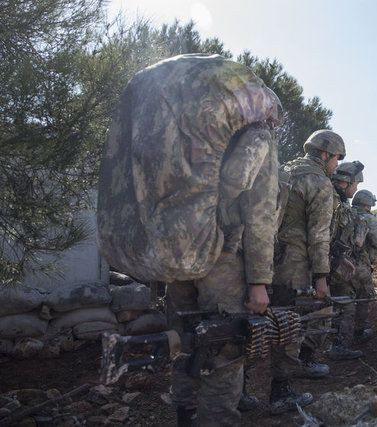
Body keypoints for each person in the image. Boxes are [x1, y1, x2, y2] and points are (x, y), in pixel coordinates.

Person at [98, 54, 282, 426]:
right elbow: (259, 211)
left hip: (178, 251)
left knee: (186, 341)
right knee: (225, 349)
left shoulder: (188, 132)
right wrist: (260, 281)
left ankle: (186, 414)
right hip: (222, 258)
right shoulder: (258, 134)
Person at [270, 129, 346, 414]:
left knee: (257, 322)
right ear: (325, 154)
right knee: (288, 324)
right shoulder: (319, 183)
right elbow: (319, 236)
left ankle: (238, 391)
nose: (336, 165)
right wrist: (322, 278)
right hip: (295, 264)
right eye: (336, 158)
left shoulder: (283, 170)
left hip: (265, 259)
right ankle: (281, 392)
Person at [325, 161, 367, 360]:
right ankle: (336, 345)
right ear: (346, 182)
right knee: (345, 301)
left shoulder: (337, 200)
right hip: (328, 262)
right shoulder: (333, 200)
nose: (356, 189)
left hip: (332, 260)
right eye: (355, 184)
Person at [351, 190, 377, 342]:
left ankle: (337, 334)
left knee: (344, 298)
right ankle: (357, 333)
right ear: (368, 203)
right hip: (360, 263)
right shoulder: (368, 218)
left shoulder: (347, 213)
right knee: (364, 297)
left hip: (340, 263)